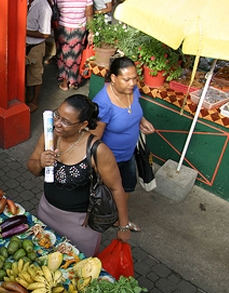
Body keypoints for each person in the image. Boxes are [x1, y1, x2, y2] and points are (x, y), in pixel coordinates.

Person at [27, 94, 131, 256]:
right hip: (46, 213)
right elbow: (32, 168)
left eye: (66, 122)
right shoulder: (50, 137)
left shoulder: (97, 150)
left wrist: (123, 226)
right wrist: (40, 162)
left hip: (80, 226)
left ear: (83, 124)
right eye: (57, 116)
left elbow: (116, 188)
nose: (58, 124)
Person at [92, 57, 155, 232]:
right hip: (109, 160)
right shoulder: (103, 104)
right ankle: (113, 221)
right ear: (113, 78)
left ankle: (119, 219)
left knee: (127, 187)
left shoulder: (133, 91)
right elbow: (95, 138)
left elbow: (134, 111)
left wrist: (142, 120)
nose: (132, 83)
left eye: (135, 78)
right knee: (110, 192)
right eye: (126, 79)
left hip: (129, 154)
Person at [55, 0, 94, 91]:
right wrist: (91, 32)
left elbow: (53, 6)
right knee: (76, 56)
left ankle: (65, 83)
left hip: (63, 27)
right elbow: (89, 14)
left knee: (63, 55)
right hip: (79, 29)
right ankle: (75, 81)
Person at [26, 0, 52, 113]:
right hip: (24, 44)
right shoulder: (26, 2)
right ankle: (28, 97)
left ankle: (35, 101)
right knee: (27, 73)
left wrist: (23, 31)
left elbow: (45, 33)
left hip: (35, 46)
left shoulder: (44, 7)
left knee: (35, 74)